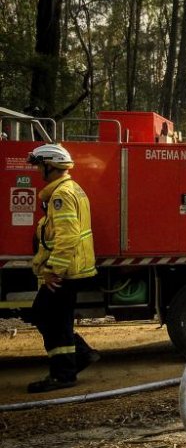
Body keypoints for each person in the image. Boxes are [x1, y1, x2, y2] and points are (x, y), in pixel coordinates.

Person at [26, 144, 100, 393]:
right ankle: (77, 359)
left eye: (39, 166)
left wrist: (53, 270)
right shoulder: (70, 189)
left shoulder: (61, 196)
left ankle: (65, 372)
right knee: (57, 319)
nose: (38, 171)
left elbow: (67, 237)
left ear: (50, 166)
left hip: (64, 272)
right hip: (70, 269)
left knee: (44, 314)